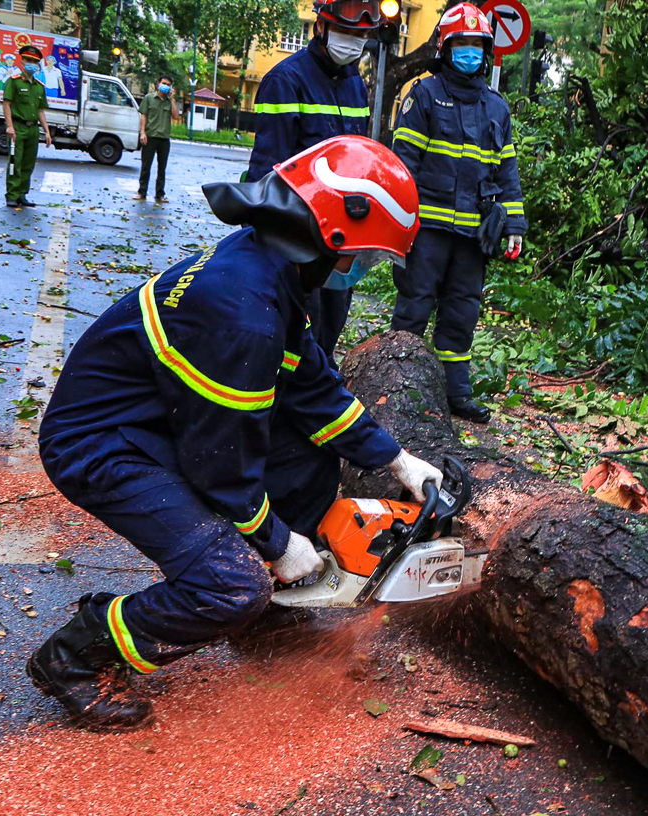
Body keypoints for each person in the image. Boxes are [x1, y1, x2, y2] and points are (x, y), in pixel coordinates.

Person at [27, 135, 440, 732]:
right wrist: (277, 542)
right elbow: (222, 461)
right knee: (232, 584)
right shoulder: (241, 313)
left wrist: (398, 460)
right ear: (331, 234)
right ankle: (76, 654)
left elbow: (312, 389)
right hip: (101, 443)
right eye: (364, 257)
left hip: (162, 422)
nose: (358, 270)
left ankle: (270, 617)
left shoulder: (267, 266)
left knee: (308, 461)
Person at [390, 3, 527, 423]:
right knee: (413, 308)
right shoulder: (425, 95)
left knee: (462, 313)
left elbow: (507, 172)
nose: (469, 53)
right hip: (426, 230)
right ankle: (398, 390)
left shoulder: (496, 107)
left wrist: (515, 226)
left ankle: (456, 395)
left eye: (476, 46)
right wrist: (398, 222)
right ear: (445, 49)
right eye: (461, 45)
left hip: (473, 238)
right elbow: (403, 163)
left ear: (486, 52)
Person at [246, 0, 381, 365]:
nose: (353, 42)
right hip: (299, 234)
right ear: (321, 27)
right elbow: (266, 168)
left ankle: (316, 395)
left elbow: (359, 159)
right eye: (346, 32)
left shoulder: (356, 84)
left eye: (360, 35)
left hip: (341, 236)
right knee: (296, 334)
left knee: (330, 328)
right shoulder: (285, 80)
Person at [3, 44, 53, 209]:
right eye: (28, 60)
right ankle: (12, 194)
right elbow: (7, 104)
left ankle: (22, 194)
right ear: (22, 61)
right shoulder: (14, 82)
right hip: (18, 127)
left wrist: (46, 132)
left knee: (28, 163)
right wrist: (9, 126)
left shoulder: (39, 86)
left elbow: (40, 111)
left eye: (34, 61)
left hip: (33, 129)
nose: (31, 63)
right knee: (15, 162)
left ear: (38, 64)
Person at [136, 75, 179, 203]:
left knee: (162, 168)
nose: (166, 86)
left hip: (164, 139)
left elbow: (176, 116)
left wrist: (172, 100)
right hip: (150, 137)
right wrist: (142, 133)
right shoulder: (149, 98)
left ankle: (159, 194)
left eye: (168, 84)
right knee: (145, 166)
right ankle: (141, 192)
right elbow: (144, 116)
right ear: (158, 83)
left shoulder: (169, 101)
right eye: (164, 83)